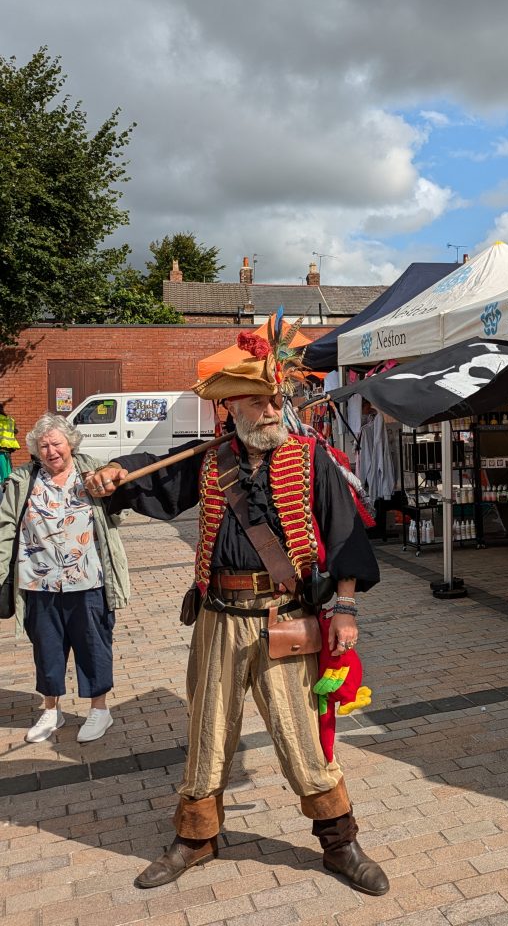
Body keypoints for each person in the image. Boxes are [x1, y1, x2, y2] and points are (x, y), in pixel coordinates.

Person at [86, 328, 389, 896]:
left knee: (300, 733)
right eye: (259, 401)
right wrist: (115, 474)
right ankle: (197, 838)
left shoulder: (309, 457)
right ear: (231, 407)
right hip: (218, 615)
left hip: (284, 616)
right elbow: (152, 478)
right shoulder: (210, 460)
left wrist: (345, 608)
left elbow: (344, 533)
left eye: (277, 400)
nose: (273, 410)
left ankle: (340, 841)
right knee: (208, 731)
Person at [0, 413, 130, 743]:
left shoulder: (94, 471)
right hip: (38, 584)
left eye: (56, 443)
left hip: (89, 580)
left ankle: (100, 710)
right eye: (43, 446)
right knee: (46, 649)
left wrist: (109, 491)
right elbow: (6, 529)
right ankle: (50, 710)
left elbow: (121, 511)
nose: (51, 451)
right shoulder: (23, 480)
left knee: (93, 645)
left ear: (70, 442)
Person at [0, 402, 20, 499]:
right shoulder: (10, 420)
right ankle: (9, 497)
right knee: (7, 474)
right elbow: (16, 431)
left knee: (3, 476)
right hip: (7, 450)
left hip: (1, 450)